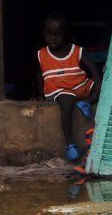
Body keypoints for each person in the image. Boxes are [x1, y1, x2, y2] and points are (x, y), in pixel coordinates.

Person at [36, 12, 103, 162]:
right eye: (49, 34)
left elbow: (94, 72)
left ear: (66, 35)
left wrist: (97, 85)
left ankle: (87, 102)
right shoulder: (41, 54)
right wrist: (41, 96)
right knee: (66, 103)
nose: (53, 38)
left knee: (105, 86)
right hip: (60, 90)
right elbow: (39, 77)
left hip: (81, 86)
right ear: (43, 33)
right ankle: (70, 144)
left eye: (58, 34)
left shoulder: (76, 51)